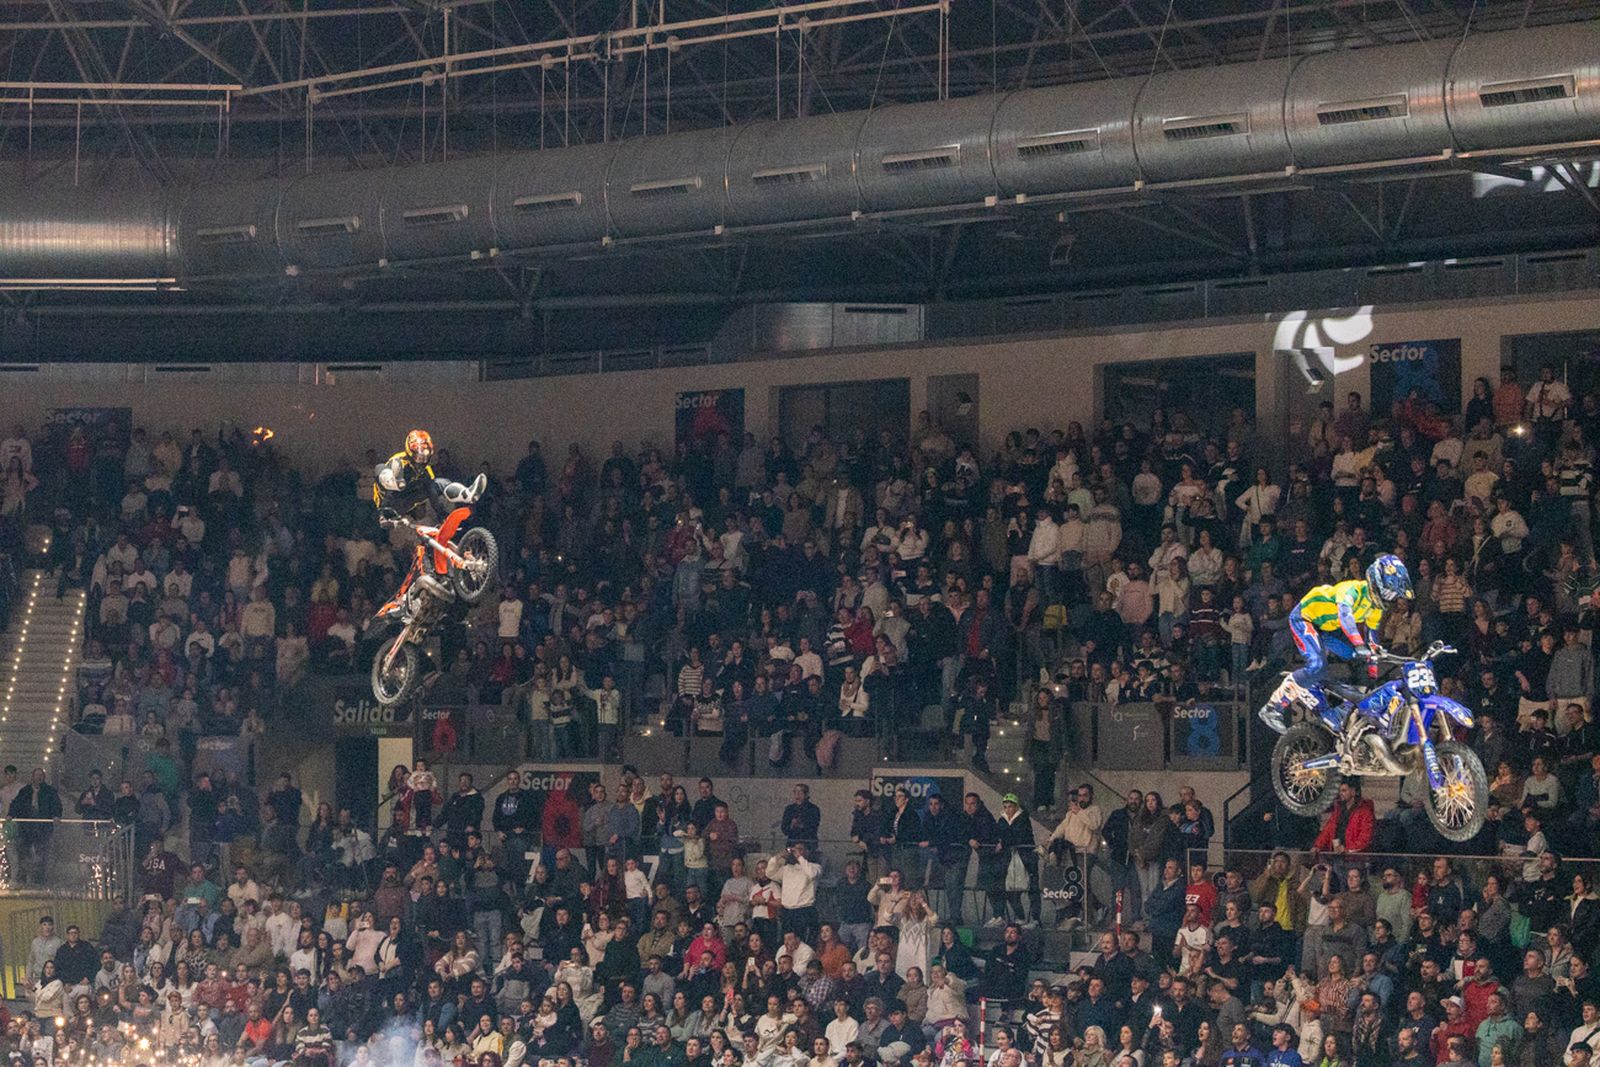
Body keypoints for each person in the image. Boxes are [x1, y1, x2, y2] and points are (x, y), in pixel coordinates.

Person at [1258, 554, 1414, 733]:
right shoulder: (1351, 589)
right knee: (1317, 665)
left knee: (1357, 660)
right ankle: (1272, 708)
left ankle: (1344, 708)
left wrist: (1372, 673)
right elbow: (1345, 616)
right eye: (1388, 592)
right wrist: (1359, 645)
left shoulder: (1375, 608)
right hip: (1305, 618)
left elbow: (1372, 640)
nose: (1390, 598)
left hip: (1327, 628)